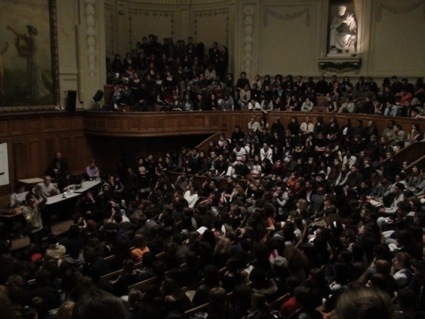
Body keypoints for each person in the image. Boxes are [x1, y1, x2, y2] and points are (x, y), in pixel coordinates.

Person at [7, 24, 50, 100]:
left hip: (32, 59)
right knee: (31, 74)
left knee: (34, 74)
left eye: (29, 32)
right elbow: (19, 35)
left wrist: (26, 53)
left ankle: (36, 91)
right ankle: (32, 91)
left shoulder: (33, 40)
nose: (28, 33)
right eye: (29, 32)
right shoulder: (29, 39)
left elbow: (33, 52)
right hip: (30, 59)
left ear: (31, 32)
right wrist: (11, 29)